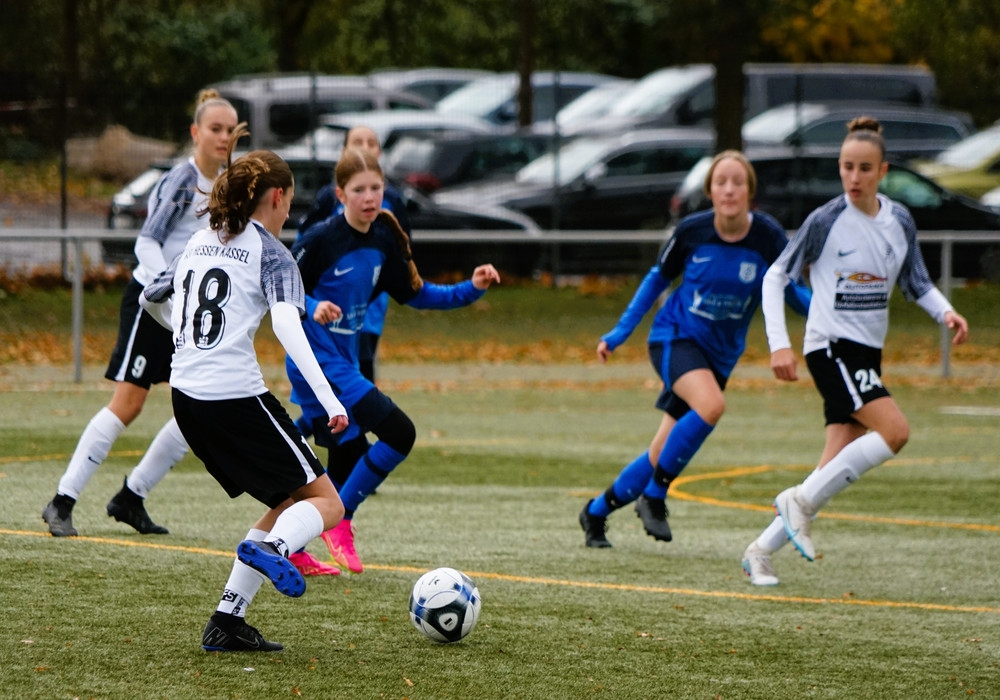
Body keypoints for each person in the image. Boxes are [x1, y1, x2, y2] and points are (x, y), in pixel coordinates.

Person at [140, 123, 350, 652]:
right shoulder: (272, 253)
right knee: (328, 504)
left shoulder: (197, 242)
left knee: (286, 497)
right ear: (277, 197)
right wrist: (331, 402)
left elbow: (150, 296)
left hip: (186, 399)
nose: (287, 213)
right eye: (289, 203)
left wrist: (187, 337)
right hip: (234, 397)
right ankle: (276, 548)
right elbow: (286, 327)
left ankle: (226, 622)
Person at [741, 117, 969, 586]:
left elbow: (917, 282)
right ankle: (797, 504)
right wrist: (779, 345)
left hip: (867, 352)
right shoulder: (826, 221)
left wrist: (946, 313)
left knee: (831, 465)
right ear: (839, 168)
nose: (854, 177)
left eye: (865, 168)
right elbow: (775, 275)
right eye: (847, 167)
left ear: (882, 170)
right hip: (831, 347)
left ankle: (760, 551)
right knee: (895, 431)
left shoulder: (899, 220)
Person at [579, 150, 811, 548]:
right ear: (710, 190)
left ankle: (595, 512)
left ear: (750, 191)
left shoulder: (768, 236)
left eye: (738, 182)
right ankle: (655, 495)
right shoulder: (692, 231)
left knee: (660, 451)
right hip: (674, 339)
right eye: (721, 182)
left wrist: (827, 319)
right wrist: (618, 333)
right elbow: (655, 281)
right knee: (711, 405)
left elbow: (790, 290)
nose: (729, 189)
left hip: (719, 357)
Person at [288, 146, 500, 574]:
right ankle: (340, 520)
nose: (369, 197)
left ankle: (293, 543)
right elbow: (280, 292)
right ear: (340, 194)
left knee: (339, 461)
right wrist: (312, 305)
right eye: (359, 190)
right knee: (399, 433)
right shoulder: (321, 240)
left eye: (376, 189)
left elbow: (419, 295)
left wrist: (472, 287)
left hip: (345, 364)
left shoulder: (385, 237)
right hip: (317, 364)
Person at [42, 90, 239, 537]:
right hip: (153, 307)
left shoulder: (229, 186)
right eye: (215, 128)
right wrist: (165, 288)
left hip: (191, 315)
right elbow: (146, 241)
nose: (224, 137)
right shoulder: (180, 181)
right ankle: (62, 500)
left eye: (230, 129)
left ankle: (131, 497)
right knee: (128, 403)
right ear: (195, 133)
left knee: (200, 409)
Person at [297, 125, 411, 384]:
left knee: (363, 366)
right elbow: (307, 243)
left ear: (380, 152)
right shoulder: (329, 198)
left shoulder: (392, 198)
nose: (364, 147)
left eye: (371, 142)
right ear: (344, 151)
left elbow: (402, 250)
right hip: (332, 304)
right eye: (357, 141)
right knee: (339, 381)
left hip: (369, 304)